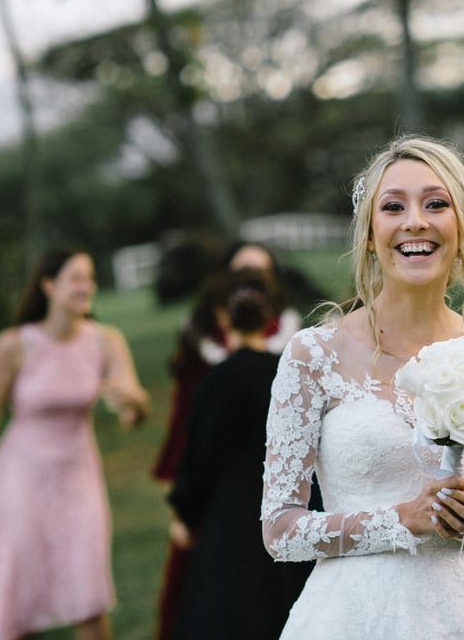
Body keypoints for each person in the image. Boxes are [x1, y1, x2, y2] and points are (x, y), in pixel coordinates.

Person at [260, 135, 464, 639]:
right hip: (353, 617)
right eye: (393, 207)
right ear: (371, 234)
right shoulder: (313, 355)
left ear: (462, 226)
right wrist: (403, 518)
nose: (415, 220)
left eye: (436, 204)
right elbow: (281, 531)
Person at [0, 247, 150, 640]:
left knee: (90, 597)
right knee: (18, 601)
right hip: (20, 479)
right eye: (76, 278)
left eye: (90, 278)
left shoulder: (105, 341)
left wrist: (135, 405)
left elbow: (132, 411)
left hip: (79, 478)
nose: (86, 286)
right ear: (48, 285)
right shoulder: (13, 345)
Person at [150, 240, 302, 640]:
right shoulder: (288, 374)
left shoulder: (218, 380)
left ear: (224, 315)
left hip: (230, 511)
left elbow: (201, 455)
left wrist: (185, 509)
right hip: (285, 504)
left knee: (230, 609)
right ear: (270, 313)